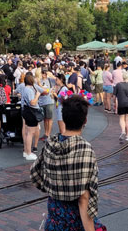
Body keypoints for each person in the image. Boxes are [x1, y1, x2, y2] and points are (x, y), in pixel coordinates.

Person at [31, 95, 104, 231]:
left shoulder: (50, 144)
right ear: (85, 120)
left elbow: (34, 172)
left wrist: (52, 187)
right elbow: (84, 197)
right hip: (76, 221)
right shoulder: (84, 149)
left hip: (54, 219)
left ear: (63, 118)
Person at [21, 72, 42, 161]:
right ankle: (29, 152)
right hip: (31, 112)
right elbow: (32, 102)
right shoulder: (29, 90)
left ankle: (26, 151)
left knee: (27, 132)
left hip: (26, 110)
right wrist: (37, 95)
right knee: (30, 132)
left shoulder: (25, 89)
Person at [38, 70, 55, 141]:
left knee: (49, 119)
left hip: (49, 101)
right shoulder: (39, 81)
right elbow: (39, 91)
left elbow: (47, 91)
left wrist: (41, 86)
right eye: (43, 73)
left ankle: (48, 134)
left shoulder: (50, 80)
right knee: (45, 119)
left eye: (45, 73)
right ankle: (45, 134)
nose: (44, 75)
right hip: (41, 102)